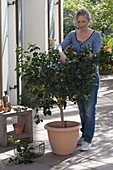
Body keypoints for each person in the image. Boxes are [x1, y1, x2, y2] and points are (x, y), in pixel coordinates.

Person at [57, 8, 102, 151]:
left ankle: (88, 139)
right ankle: (84, 134)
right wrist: (61, 53)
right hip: (78, 78)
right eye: (79, 22)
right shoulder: (72, 34)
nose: (81, 24)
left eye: (84, 21)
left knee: (89, 109)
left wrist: (90, 56)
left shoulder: (96, 36)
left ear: (89, 21)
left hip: (91, 78)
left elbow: (96, 56)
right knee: (82, 109)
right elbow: (59, 46)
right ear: (76, 22)